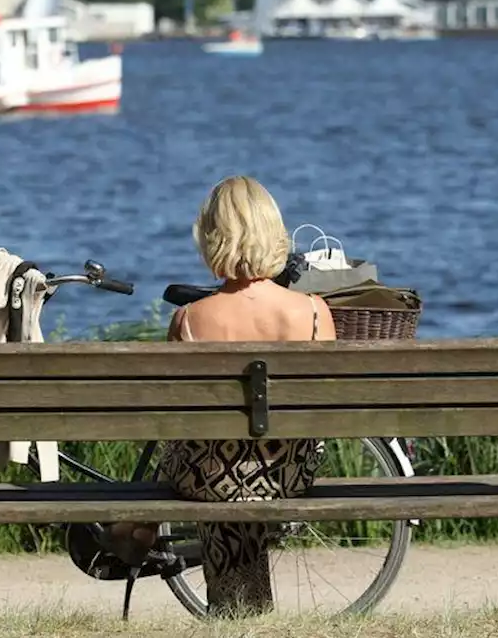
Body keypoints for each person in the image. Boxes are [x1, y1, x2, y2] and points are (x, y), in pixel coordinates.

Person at [109, 175, 337, 618]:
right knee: (239, 457)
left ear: (213, 238)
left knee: (207, 453)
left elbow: (174, 414)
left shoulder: (190, 319)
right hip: (288, 473)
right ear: (274, 234)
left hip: (211, 477)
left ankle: (142, 535)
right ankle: (244, 612)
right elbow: (323, 409)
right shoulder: (312, 310)